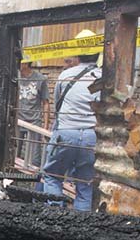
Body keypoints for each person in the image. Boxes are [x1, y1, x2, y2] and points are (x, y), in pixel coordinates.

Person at [42, 29, 102, 212]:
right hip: (92, 137)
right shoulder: (104, 77)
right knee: (85, 183)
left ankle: (54, 217)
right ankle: (80, 225)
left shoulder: (65, 76)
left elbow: (58, 107)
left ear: (77, 51)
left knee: (52, 176)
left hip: (66, 133)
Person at [17, 61, 50, 166]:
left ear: (26, 64)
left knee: (34, 157)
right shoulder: (15, 78)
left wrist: (45, 126)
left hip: (34, 121)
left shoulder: (40, 79)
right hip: (18, 120)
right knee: (14, 153)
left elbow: (45, 103)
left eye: (20, 63)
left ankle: (33, 180)